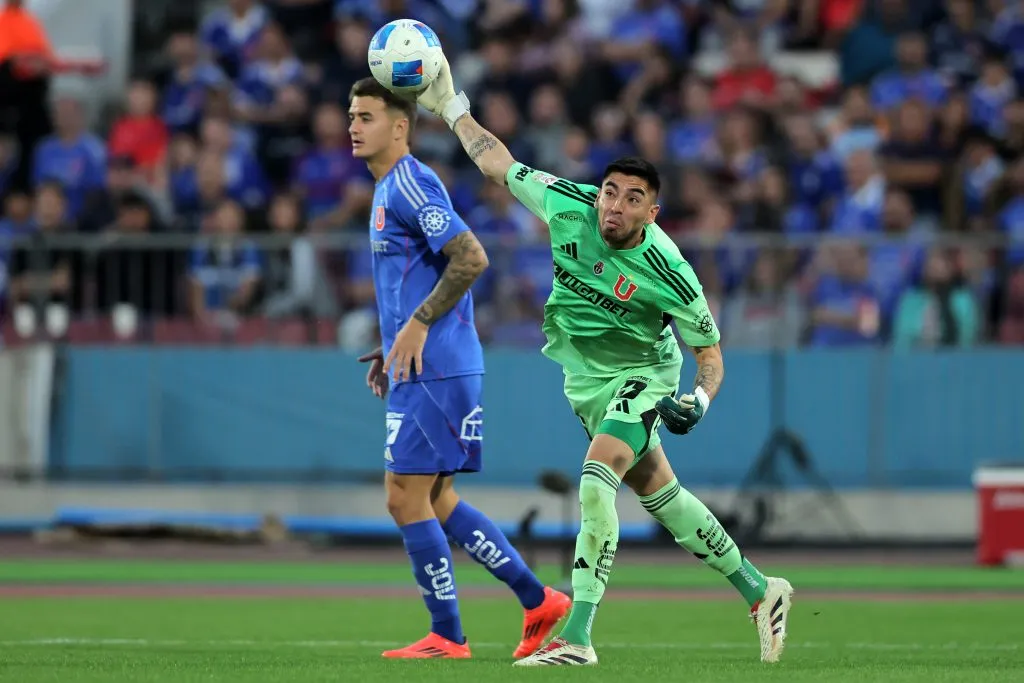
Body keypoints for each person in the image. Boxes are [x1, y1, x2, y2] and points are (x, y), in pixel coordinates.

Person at [402, 54, 794, 666]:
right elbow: (497, 163)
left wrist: (702, 396)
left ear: (651, 213)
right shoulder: (569, 204)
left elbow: (710, 354)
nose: (614, 205)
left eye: (632, 198)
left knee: (594, 483)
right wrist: (454, 108)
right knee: (662, 497)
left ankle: (577, 636)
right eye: (610, 191)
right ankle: (760, 590)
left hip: (645, 373)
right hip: (585, 378)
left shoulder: (671, 272)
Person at [346, 77, 570, 661]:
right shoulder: (387, 189)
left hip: (436, 366)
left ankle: (448, 636)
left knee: (403, 497)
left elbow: (471, 257)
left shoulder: (410, 183)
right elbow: (417, 278)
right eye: (352, 114)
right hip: (426, 362)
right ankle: (537, 598)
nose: (353, 125)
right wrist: (393, 338)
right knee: (436, 498)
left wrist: (418, 325)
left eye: (366, 116)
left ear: (400, 126)